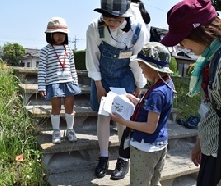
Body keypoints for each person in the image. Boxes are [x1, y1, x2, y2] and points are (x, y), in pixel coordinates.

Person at [86, 0, 150, 178]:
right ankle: (103, 157)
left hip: (125, 74)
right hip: (103, 75)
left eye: (116, 19)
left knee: (123, 117)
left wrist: (139, 85)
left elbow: (138, 60)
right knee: (103, 114)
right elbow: (92, 58)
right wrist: (98, 86)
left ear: (125, 15)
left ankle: (123, 158)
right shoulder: (94, 28)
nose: (111, 23)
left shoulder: (138, 30)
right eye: (107, 18)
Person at [160, 0, 221, 185]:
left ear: (200, 32)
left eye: (183, 40)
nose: (183, 47)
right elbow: (211, 107)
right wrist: (200, 142)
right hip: (213, 145)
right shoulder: (209, 60)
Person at [111, 42, 176, 185]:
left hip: (145, 147)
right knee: (154, 181)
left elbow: (149, 127)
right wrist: (136, 101)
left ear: (153, 67)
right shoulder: (166, 84)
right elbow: (156, 108)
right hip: (159, 143)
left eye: (142, 67)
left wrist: (123, 121)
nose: (142, 72)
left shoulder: (157, 93)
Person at [38, 17, 81, 144]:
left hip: (68, 82)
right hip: (53, 83)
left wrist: (75, 82)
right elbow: (42, 70)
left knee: (70, 107)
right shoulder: (45, 50)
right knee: (55, 107)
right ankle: (56, 130)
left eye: (62, 33)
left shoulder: (69, 50)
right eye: (56, 33)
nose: (59, 36)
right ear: (50, 34)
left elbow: (72, 67)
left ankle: (70, 129)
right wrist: (42, 86)